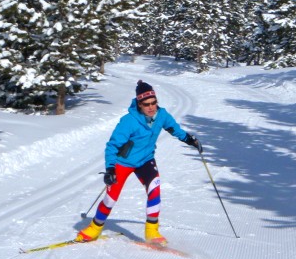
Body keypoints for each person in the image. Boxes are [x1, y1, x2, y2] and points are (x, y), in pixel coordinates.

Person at [75, 80, 203, 245]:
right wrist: (110, 169)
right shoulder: (129, 121)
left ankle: (152, 231)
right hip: (124, 163)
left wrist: (189, 140)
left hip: (146, 160)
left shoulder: (162, 115)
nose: (151, 107)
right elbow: (112, 146)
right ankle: (94, 228)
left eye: (153, 103)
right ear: (139, 104)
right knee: (111, 198)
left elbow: (174, 129)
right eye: (146, 104)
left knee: (154, 190)